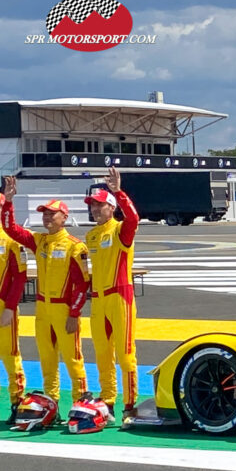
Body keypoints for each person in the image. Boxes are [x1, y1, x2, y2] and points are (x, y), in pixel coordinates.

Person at [2, 180, 89, 420]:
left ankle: (80, 405)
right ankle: (52, 408)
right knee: (47, 361)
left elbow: (83, 283)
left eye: (52, 213)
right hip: (42, 308)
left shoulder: (75, 246)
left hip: (64, 309)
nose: (47, 218)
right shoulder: (39, 241)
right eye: (44, 214)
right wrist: (8, 202)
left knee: (73, 360)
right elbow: (11, 229)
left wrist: (74, 313)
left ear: (64, 216)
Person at [84, 167, 142, 422]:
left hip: (120, 296)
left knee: (125, 353)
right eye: (92, 206)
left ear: (110, 207)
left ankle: (130, 406)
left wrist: (119, 192)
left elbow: (133, 219)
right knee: (102, 353)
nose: (95, 210)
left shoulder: (120, 230)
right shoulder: (91, 235)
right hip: (98, 299)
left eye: (99, 206)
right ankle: (107, 401)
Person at [0, 188, 27, 425]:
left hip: (2, 307)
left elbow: (19, 277)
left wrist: (10, 307)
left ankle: (17, 402)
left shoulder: (11, 240)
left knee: (10, 356)